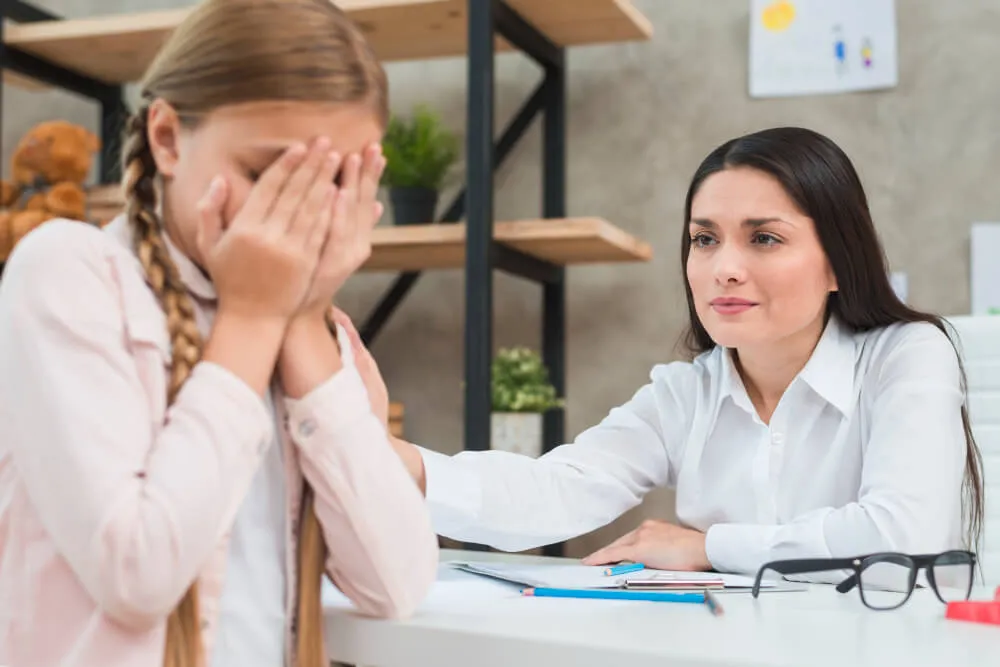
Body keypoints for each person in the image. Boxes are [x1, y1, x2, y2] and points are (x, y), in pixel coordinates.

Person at [0, 2, 438, 667]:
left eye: (338, 181)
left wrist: (299, 325)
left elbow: (397, 582)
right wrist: (255, 317)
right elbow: (136, 575)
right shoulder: (68, 273)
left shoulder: (321, 333)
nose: (304, 212)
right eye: (270, 175)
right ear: (169, 138)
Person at [361, 126, 985, 577]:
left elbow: (904, 538)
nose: (724, 269)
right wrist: (386, 460)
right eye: (703, 239)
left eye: (764, 238)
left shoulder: (908, 356)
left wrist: (707, 547)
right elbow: (557, 491)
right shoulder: (687, 392)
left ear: (838, 264)